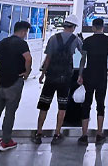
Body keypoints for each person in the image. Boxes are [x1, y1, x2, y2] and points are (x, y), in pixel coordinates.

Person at [32, 14, 82, 145]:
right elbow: (84, 53)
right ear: (73, 27)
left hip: (51, 77)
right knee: (62, 107)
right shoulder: (76, 39)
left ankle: (39, 133)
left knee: (44, 106)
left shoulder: (53, 38)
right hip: (65, 78)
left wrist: (42, 74)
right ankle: (57, 134)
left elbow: (48, 58)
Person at [0, 21, 32, 152]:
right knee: (10, 112)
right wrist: (27, 72)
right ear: (23, 31)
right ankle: (6, 142)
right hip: (15, 81)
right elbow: (28, 58)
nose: (25, 35)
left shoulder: (3, 42)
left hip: (1, 82)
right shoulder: (22, 43)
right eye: (26, 32)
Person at [77, 18, 108, 145]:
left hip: (89, 75)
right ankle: (99, 134)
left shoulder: (87, 41)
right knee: (100, 104)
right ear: (103, 27)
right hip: (102, 76)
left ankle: (84, 135)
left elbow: (83, 59)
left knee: (86, 104)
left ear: (93, 28)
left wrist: (80, 74)